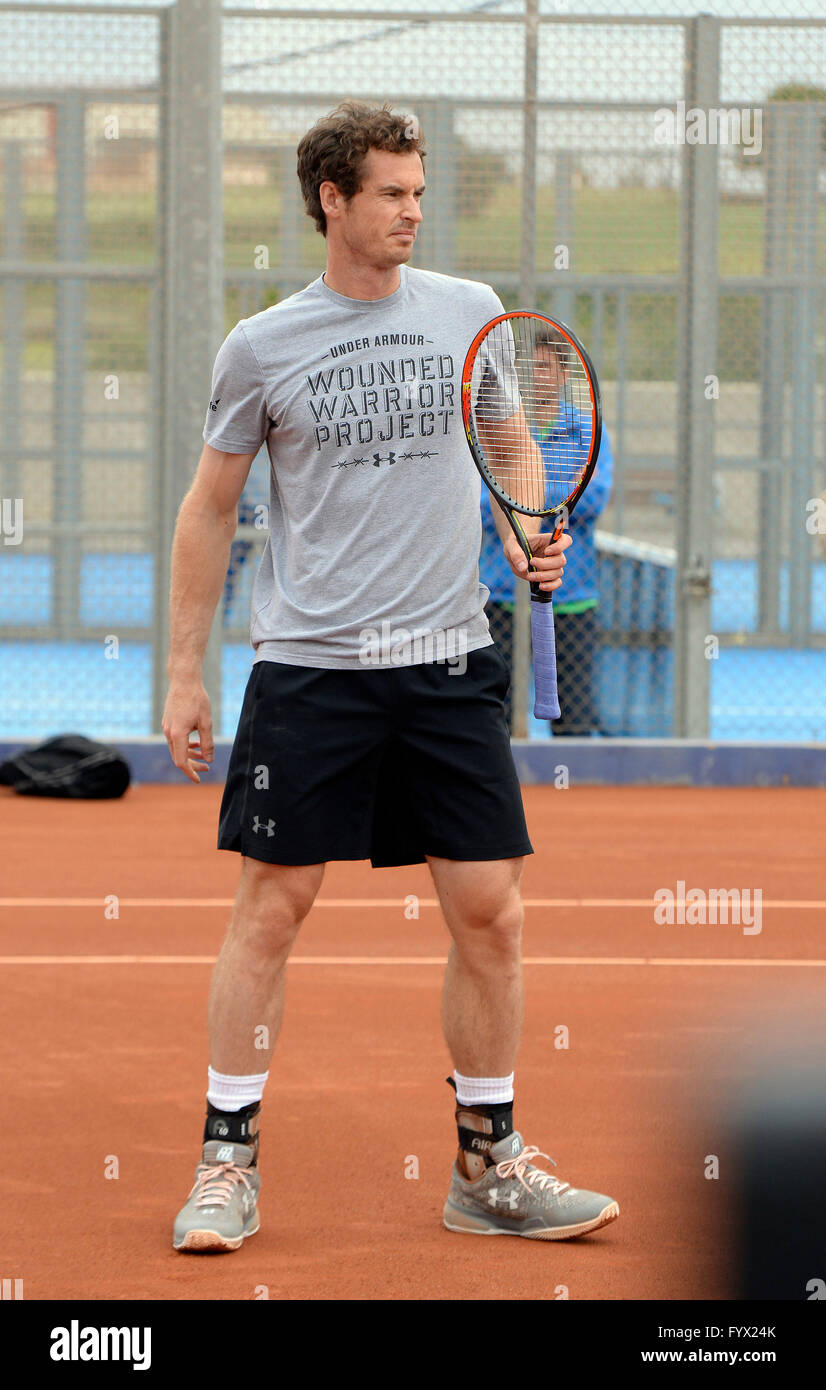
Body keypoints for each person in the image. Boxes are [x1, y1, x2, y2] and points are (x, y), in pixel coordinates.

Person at [162, 101, 619, 1252]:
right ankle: (226, 1162)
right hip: (311, 672)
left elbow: (505, 444)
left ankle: (487, 1163)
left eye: (420, 191)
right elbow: (210, 508)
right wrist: (184, 672)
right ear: (332, 199)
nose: (412, 210)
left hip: (448, 662)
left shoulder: (468, 313)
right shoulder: (262, 344)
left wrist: (525, 533)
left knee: (489, 911)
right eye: (391, 193)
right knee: (274, 906)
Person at [481, 326, 613, 734]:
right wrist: (557, 494)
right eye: (530, 367)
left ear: (563, 375)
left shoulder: (587, 430)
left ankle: (571, 794)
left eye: (545, 367)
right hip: (502, 594)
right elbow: (484, 506)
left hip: (571, 595)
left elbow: (593, 498)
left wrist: (521, 492)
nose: (537, 375)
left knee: (573, 718)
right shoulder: (500, 428)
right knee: (492, 715)